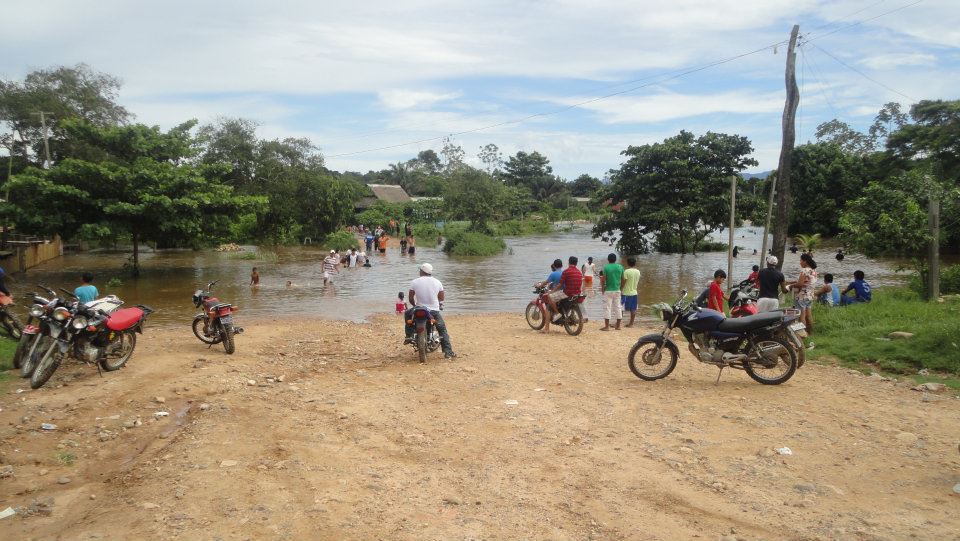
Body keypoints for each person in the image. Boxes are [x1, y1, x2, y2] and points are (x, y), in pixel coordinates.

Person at [404, 263, 456, 358]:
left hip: (419, 309)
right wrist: (439, 304)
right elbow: (441, 298)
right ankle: (448, 352)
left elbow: (411, 298)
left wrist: (414, 306)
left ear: (421, 271)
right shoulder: (437, 282)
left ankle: (409, 335)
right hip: (433, 311)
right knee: (442, 329)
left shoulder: (415, 282)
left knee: (407, 313)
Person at [788, 253, 818, 333]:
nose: (800, 262)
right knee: (809, 315)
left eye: (801, 260)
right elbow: (806, 282)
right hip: (810, 295)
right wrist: (792, 282)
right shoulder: (814, 271)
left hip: (802, 296)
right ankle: (810, 332)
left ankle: (802, 334)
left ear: (805, 261)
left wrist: (789, 286)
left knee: (801, 316)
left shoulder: (804, 270)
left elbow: (800, 284)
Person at [599, 253, 624, 331]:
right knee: (618, 307)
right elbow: (623, 279)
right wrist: (621, 288)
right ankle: (618, 326)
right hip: (617, 290)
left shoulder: (606, 267)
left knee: (607, 308)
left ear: (608, 259)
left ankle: (607, 327)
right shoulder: (620, 267)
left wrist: (602, 288)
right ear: (615, 259)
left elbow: (603, 280)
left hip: (608, 290)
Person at [621, 257, 641, 327]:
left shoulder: (626, 271)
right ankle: (631, 324)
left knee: (620, 308)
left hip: (626, 292)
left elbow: (623, 282)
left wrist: (620, 289)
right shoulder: (638, 272)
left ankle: (618, 323)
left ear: (627, 263)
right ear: (635, 263)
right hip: (634, 292)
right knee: (633, 309)